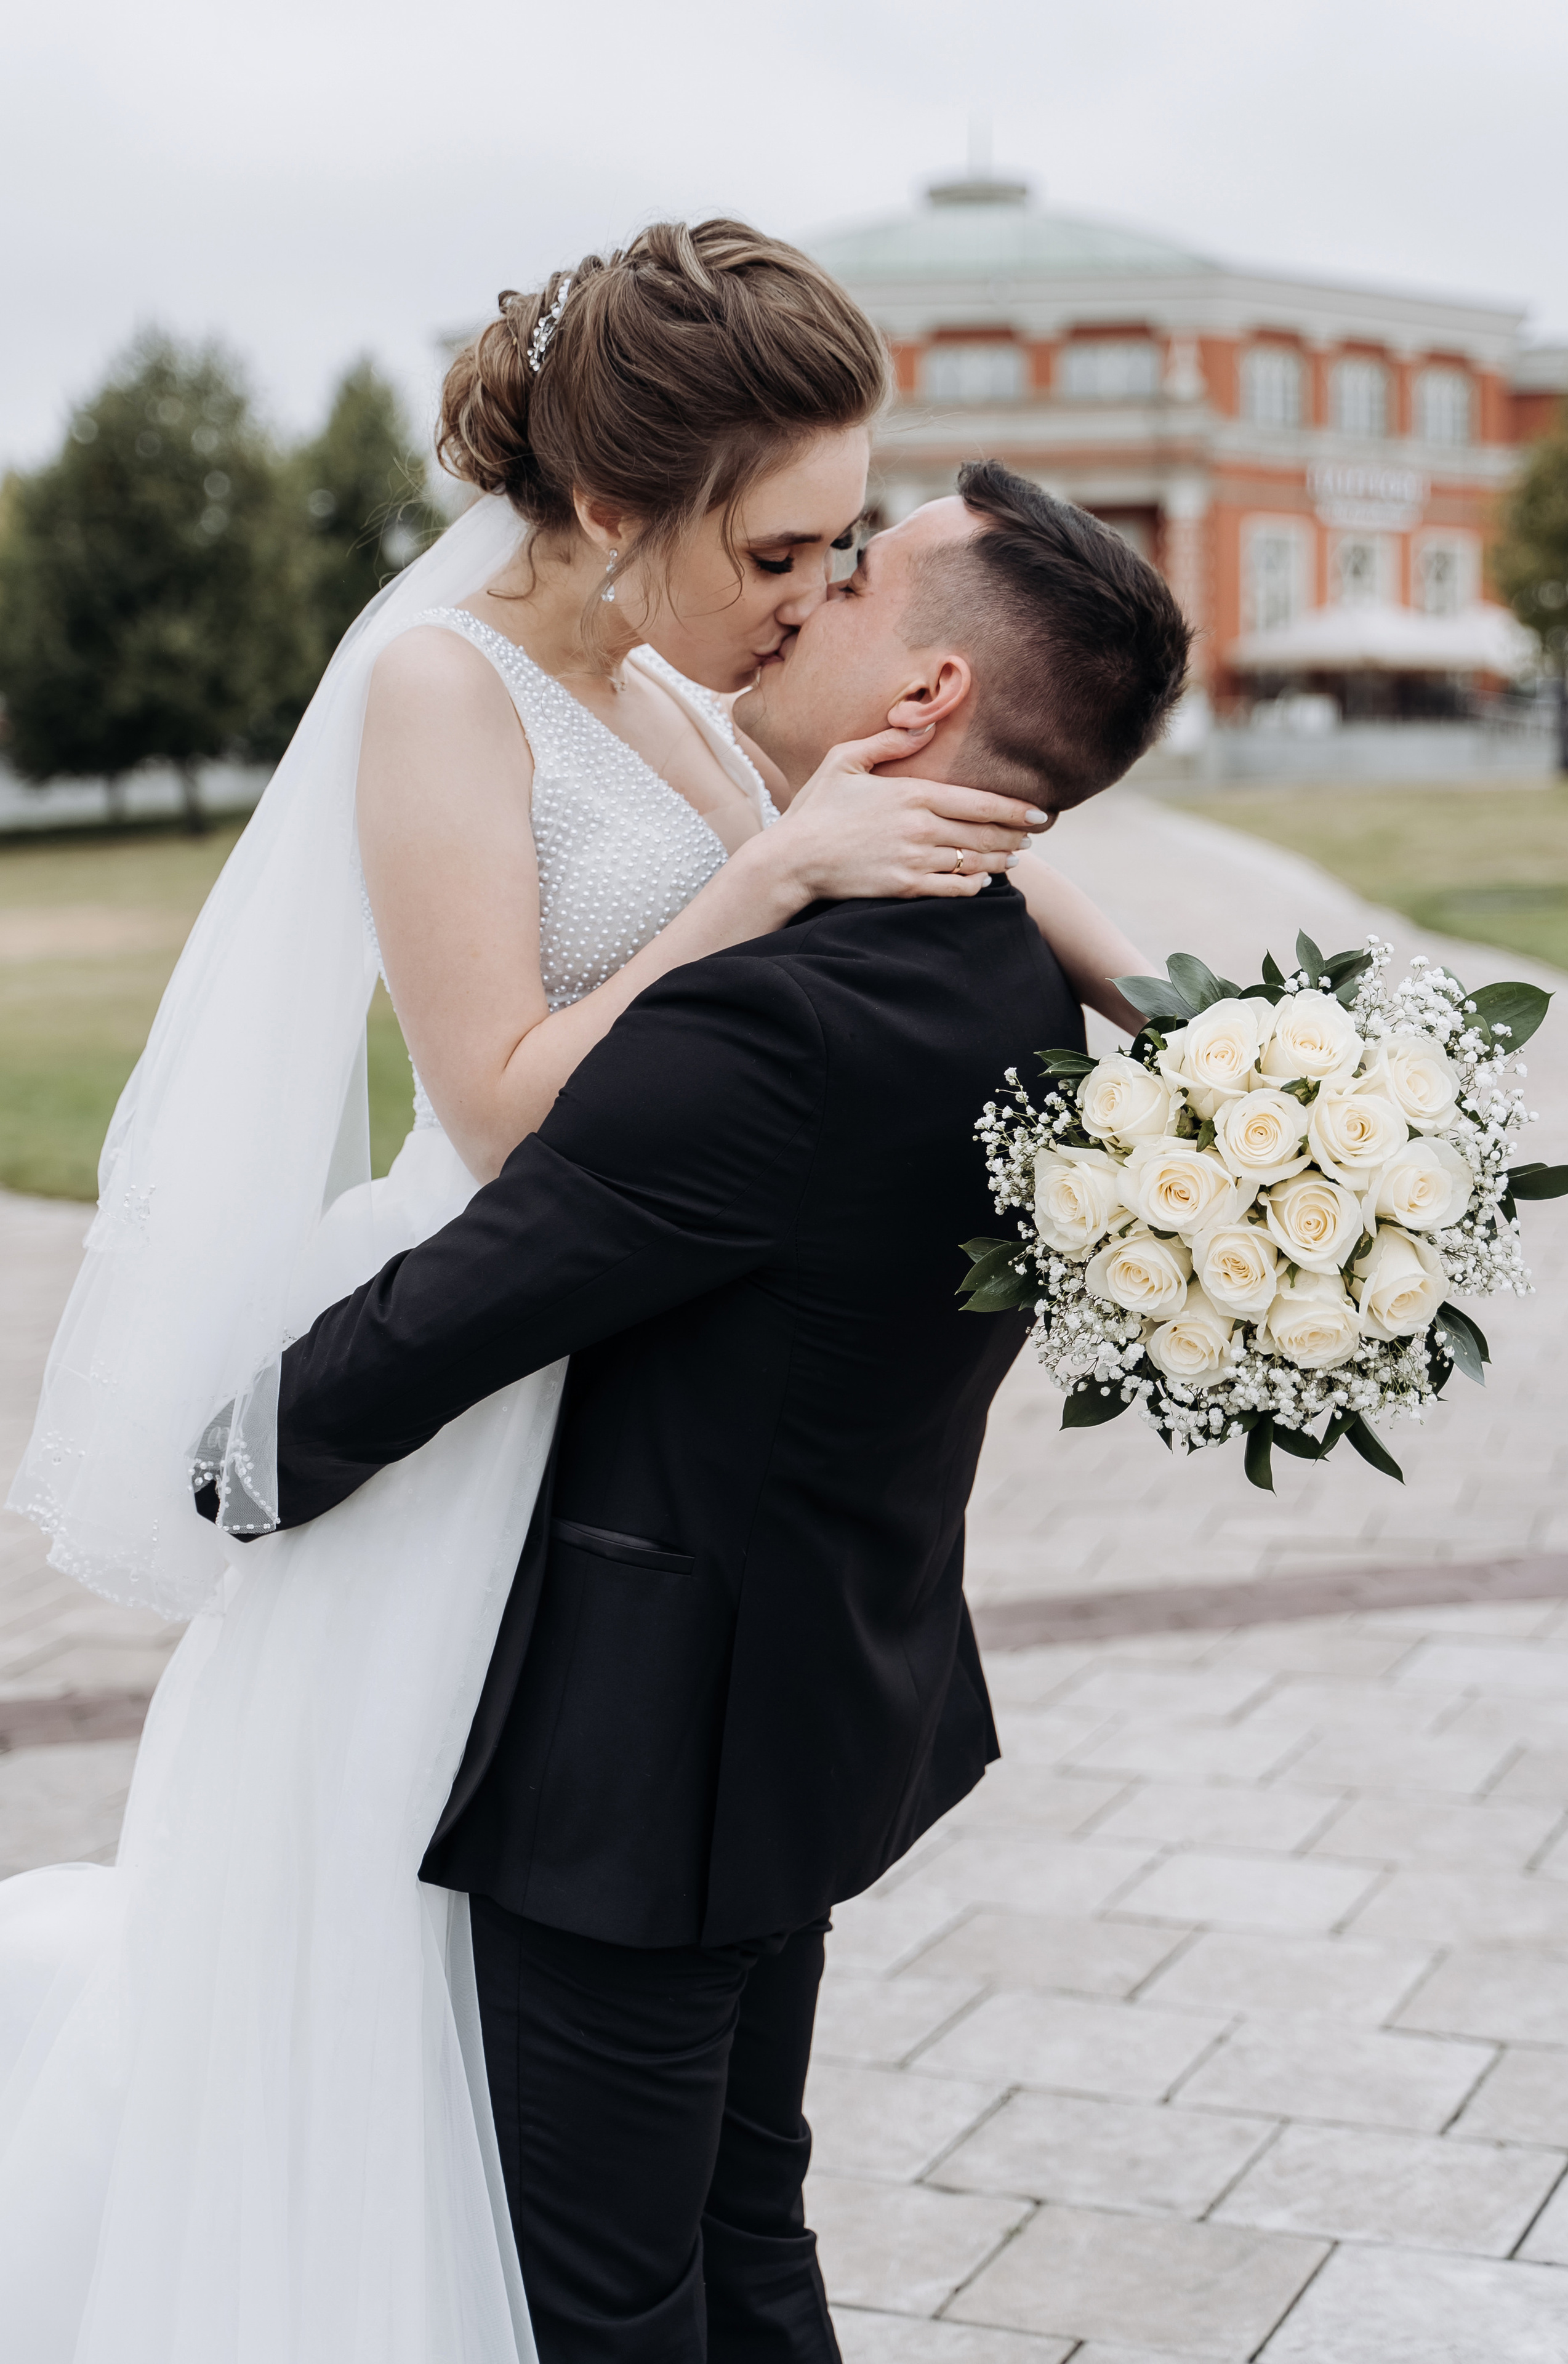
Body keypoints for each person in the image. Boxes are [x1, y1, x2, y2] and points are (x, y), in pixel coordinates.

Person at [0, 224, 1148, 2363]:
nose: (818, 598)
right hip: (484, 1393)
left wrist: (1138, 978)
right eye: (787, 548)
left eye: (844, 545)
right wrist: (757, 881)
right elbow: (511, 1111)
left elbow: (938, 806)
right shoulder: (448, 687)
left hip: (631, 1427)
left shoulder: (687, 686)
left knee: (638, 2120)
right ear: (622, 506)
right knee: (430, 2014)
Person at [238, 459, 1191, 2362]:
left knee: (610, 2296)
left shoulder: (792, 1015)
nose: (805, 594)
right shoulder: (1002, 967)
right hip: (824, 1694)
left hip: (651, 1761)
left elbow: (471, 1302)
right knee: (746, 2226)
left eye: (850, 578)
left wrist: (240, 1454)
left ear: (924, 700)